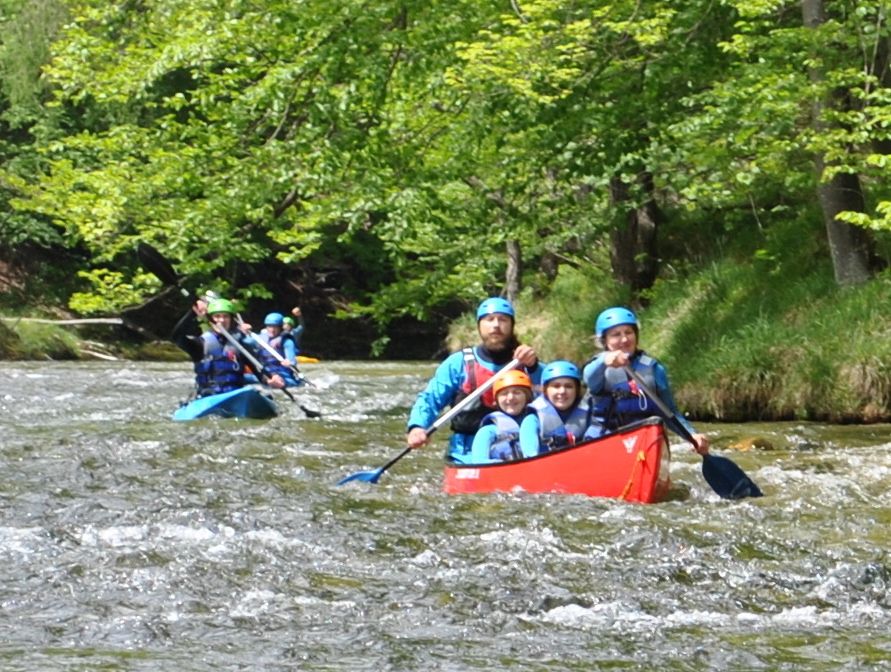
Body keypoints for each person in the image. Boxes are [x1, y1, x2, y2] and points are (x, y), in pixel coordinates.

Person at [406, 297, 542, 461]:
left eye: (503, 319)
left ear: (512, 326)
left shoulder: (526, 363)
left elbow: (556, 394)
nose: (496, 325)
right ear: (479, 326)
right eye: (489, 319)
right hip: (466, 454)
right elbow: (430, 399)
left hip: (519, 450)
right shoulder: (458, 363)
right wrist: (417, 426)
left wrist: (534, 367)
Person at [582, 307, 709, 454]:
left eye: (629, 332)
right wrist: (605, 360)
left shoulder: (654, 369)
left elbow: (670, 412)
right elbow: (588, 377)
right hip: (607, 442)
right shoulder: (599, 368)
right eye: (616, 335)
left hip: (646, 443)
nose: (624, 339)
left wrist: (691, 435)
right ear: (605, 340)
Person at [171, 296, 285, 397]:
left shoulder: (240, 345)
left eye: (226, 316)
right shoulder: (200, 344)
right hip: (208, 397)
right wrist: (192, 313)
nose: (222, 320)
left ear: (231, 319)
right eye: (217, 316)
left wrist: (270, 379)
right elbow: (176, 336)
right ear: (211, 320)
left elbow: (258, 370)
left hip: (235, 395)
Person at [524, 360, 603, 454]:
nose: (562, 391)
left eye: (569, 386)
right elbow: (530, 455)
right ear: (545, 390)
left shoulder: (589, 413)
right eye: (556, 386)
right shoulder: (533, 419)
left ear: (577, 390)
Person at [469, 370, 538, 463]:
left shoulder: (539, 421)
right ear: (497, 400)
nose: (510, 397)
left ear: (527, 397)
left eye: (517, 392)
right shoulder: (488, 431)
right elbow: (478, 461)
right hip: (503, 474)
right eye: (504, 394)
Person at [248, 312, 301, 388]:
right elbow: (245, 342)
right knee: (241, 378)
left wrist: (289, 363)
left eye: (275, 327)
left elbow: (292, 360)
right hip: (265, 374)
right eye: (269, 326)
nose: (272, 330)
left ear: (280, 327)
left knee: (278, 381)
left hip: (283, 375)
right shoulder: (260, 339)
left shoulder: (287, 341)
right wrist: (243, 332)